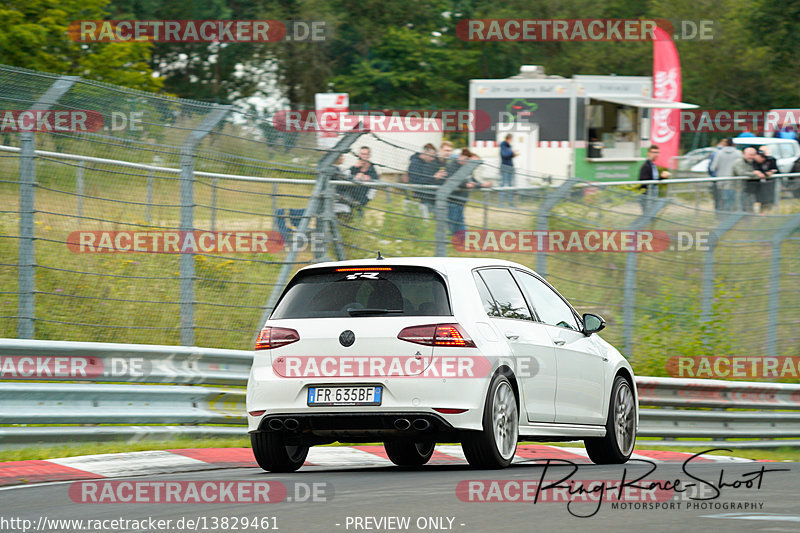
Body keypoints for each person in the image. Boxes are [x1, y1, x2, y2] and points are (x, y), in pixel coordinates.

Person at [447, 149, 491, 240]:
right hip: (452, 201)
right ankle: (452, 241)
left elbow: (472, 182)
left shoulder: (468, 169)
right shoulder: (453, 166)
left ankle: (463, 240)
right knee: (452, 223)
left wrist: (482, 185)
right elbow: (453, 180)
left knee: (460, 222)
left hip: (461, 201)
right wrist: (466, 185)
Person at [406, 143, 445, 217]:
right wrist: (433, 178)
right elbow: (416, 181)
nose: (433, 158)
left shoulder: (428, 164)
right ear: (425, 152)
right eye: (432, 156)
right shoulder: (415, 163)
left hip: (427, 201)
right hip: (415, 201)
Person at [337, 146, 378, 212]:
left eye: (365, 154)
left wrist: (364, 202)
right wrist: (354, 169)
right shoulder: (354, 168)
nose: (363, 156)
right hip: (347, 195)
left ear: (369, 156)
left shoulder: (372, 171)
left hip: (360, 198)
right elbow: (344, 177)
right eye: (361, 154)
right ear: (359, 155)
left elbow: (373, 188)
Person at [709, 138, 740, 212]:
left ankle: (721, 215)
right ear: (733, 144)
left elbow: (713, 167)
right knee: (731, 199)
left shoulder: (719, 153)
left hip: (720, 180)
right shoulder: (738, 153)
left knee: (721, 199)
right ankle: (730, 215)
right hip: (732, 181)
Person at [638, 145, 671, 212]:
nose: (656, 154)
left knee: (650, 217)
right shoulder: (646, 166)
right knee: (647, 217)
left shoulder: (653, 165)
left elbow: (654, 181)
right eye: (654, 152)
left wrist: (662, 177)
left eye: (657, 152)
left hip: (652, 195)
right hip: (647, 196)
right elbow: (645, 181)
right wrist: (661, 178)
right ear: (648, 153)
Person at [732, 147, 757, 211]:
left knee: (749, 206)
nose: (751, 157)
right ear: (744, 154)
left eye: (753, 155)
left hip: (748, 189)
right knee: (738, 206)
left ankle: (748, 219)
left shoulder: (753, 162)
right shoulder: (738, 162)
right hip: (737, 189)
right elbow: (741, 173)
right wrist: (755, 174)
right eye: (750, 155)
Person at [499, 134, 518, 207]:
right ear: (509, 138)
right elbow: (504, 155)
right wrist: (512, 153)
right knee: (503, 184)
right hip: (505, 167)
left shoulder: (508, 146)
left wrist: (513, 154)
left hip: (510, 166)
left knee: (510, 185)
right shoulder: (503, 145)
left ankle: (511, 202)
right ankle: (501, 203)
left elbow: (508, 155)